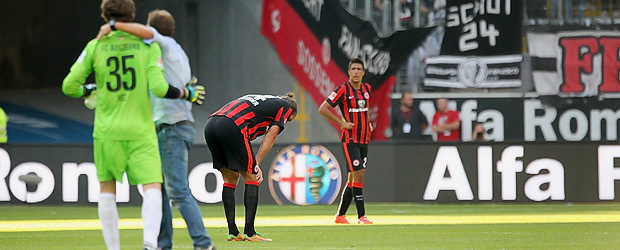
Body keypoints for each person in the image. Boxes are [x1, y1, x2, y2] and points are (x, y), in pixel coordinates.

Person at [62, 1, 205, 249]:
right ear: (132, 16)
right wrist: (185, 93)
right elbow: (159, 88)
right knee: (153, 187)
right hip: (142, 130)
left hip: (107, 130)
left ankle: (115, 248)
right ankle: (151, 243)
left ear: (105, 15)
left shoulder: (96, 46)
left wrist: (88, 90)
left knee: (107, 189)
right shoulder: (148, 49)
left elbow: (69, 87)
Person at [95, 9, 215, 250]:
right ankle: (163, 244)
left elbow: (146, 33)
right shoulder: (176, 50)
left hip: (172, 127)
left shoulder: (164, 44)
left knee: (178, 191)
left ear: (154, 31)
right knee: (157, 190)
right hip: (172, 125)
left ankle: (203, 244)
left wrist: (114, 25)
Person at [204, 93, 297, 242]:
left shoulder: (263, 100)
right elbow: (271, 136)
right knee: (253, 177)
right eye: (288, 121)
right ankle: (250, 232)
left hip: (211, 124)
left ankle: (233, 232)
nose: (284, 123)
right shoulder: (285, 106)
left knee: (230, 178)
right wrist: (256, 163)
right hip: (232, 125)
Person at [319, 58, 373, 225]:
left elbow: (365, 109)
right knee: (359, 173)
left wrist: (368, 122)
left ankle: (340, 216)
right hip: (350, 139)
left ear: (363, 73)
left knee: (352, 178)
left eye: (359, 69)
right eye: (353, 69)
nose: (356, 72)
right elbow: (323, 108)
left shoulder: (367, 89)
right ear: (349, 72)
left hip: (364, 138)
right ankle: (361, 216)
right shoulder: (343, 90)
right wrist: (341, 123)